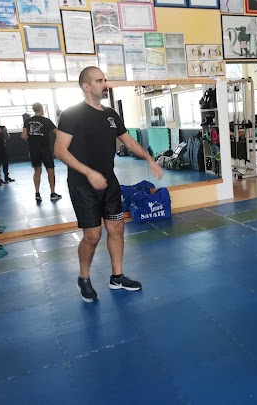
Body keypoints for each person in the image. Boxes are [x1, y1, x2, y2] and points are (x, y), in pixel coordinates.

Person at [55, 66, 163, 303]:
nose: (105, 85)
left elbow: (128, 142)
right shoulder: (72, 114)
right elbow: (60, 150)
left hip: (109, 183)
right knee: (92, 236)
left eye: (105, 80)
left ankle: (117, 277)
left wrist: (149, 159)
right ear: (86, 86)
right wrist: (88, 172)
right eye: (99, 81)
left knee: (117, 229)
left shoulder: (111, 115)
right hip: (83, 184)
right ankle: (84, 278)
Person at [22, 103, 62, 203]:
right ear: (41, 109)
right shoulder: (46, 121)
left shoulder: (27, 121)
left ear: (33, 109)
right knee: (50, 170)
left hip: (33, 150)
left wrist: (32, 142)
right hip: (45, 149)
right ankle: (52, 193)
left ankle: (37, 193)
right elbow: (57, 133)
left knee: (37, 171)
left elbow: (23, 136)